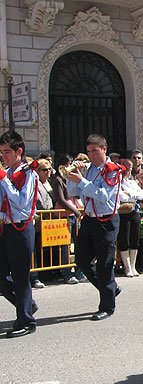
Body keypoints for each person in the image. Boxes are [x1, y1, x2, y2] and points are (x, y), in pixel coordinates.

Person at [67, 133, 123, 321]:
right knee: (82, 260)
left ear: (104, 149)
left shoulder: (112, 170)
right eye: (88, 151)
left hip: (106, 220)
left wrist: (82, 181)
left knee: (105, 264)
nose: (90, 155)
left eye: (94, 150)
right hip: (89, 219)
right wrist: (73, 176)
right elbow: (73, 192)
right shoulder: (89, 169)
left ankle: (107, 306)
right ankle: (110, 288)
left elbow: (103, 196)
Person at [0, 131, 38, 338]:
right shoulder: (6, 172)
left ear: (19, 151)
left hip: (21, 227)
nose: (3, 156)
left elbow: (22, 202)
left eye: (7, 152)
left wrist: (5, 181)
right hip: (5, 227)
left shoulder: (28, 173)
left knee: (21, 276)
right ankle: (27, 305)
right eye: (1, 152)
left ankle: (26, 321)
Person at [51, 153, 85, 284]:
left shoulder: (70, 179)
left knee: (80, 245)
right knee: (65, 247)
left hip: (73, 216)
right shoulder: (58, 180)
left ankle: (79, 271)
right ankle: (66, 273)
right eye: (68, 164)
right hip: (63, 216)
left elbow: (76, 195)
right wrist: (76, 211)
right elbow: (60, 199)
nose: (69, 167)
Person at [30, 157, 56, 289]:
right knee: (35, 249)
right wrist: (46, 213)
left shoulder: (50, 182)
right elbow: (39, 201)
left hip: (49, 220)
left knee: (47, 249)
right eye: (44, 170)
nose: (48, 172)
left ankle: (47, 273)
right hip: (39, 220)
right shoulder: (36, 182)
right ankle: (35, 276)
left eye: (49, 169)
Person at [117, 158, 143, 277]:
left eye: (129, 167)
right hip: (124, 213)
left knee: (135, 238)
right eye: (126, 167)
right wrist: (132, 195)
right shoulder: (118, 181)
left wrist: (131, 194)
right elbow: (121, 197)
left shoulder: (133, 182)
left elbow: (141, 194)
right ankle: (127, 267)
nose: (128, 170)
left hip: (135, 211)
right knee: (124, 239)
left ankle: (133, 266)